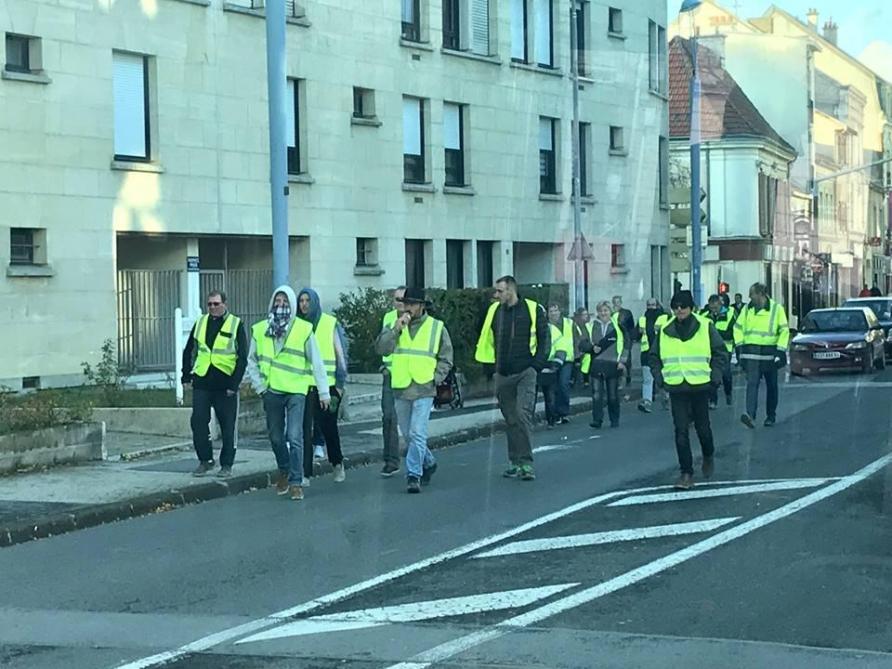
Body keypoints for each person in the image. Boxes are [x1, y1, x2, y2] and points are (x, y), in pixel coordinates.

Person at [246, 285, 330, 501]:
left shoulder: (303, 329)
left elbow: (317, 362)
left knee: (294, 436)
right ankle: (284, 469)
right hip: (272, 390)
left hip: (296, 391)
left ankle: (296, 481)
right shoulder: (260, 329)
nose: (281, 306)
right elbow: (251, 361)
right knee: (275, 436)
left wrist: (323, 392)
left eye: (285, 302)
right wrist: (260, 387)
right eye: (277, 301)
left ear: (292, 305)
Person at [376, 287, 453, 493]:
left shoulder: (436, 327)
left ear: (421, 306)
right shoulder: (395, 324)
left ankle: (413, 475)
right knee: (409, 435)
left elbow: (446, 357)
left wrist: (435, 378)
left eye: (411, 304)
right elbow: (381, 349)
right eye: (405, 304)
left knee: (418, 432)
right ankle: (428, 461)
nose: (407, 308)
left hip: (424, 388)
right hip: (401, 386)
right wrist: (395, 330)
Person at [475, 275, 550, 482]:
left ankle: (526, 463)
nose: (496, 295)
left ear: (511, 291)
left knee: (522, 414)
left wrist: (536, 366)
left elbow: (545, 340)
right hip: (503, 373)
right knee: (510, 418)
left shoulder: (533, 310)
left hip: (526, 370)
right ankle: (514, 462)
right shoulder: (494, 311)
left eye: (499, 291)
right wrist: (490, 368)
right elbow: (485, 338)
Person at [650, 290, 726, 490]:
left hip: (701, 385)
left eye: (683, 306)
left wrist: (715, 377)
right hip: (676, 387)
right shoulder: (665, 330)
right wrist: (660, 380)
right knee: (681, 431)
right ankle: (686, 473)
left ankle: (708, 455)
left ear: (691, 307)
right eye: (676, 306)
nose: (679, 310)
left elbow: (720, 352)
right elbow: (654, 357)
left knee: (703, 429)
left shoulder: (705, 326)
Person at [181, 290, 248, 478]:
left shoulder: (236, 324)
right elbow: (189, 350)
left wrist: (234, 385)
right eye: (209, 304)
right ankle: (206, 460)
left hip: (225, 384)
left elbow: (242, 358)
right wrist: (186, 376)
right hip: (202, 380)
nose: (212, 307)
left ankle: (226, 464)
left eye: (216, 304)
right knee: (198, 421)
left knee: (227, 426)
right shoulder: (201, 322)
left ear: (224, 304)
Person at [297, 288, 349, 484]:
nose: (304, 304)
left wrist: (340, 384)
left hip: (328, 386)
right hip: (304, 386)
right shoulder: (297, 324)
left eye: (307, 300)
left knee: (328, 428)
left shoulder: (329, 322)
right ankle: (306, 473)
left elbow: (340, 354)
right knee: (305, 430)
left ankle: (337, 462)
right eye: (301, 300)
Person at [734, 282, 790, 428]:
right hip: (751, 354)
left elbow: (784, 331)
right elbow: (738, 328)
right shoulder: (747, 309)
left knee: (772, 386)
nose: (749, 297)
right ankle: (750, 415)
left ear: (761, 294)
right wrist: (740, 346)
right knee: (751, 385)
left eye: (751, 294)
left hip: (769, 354)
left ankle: (770, 415)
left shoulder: (776, 309)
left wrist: (780, 350)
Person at [581, 301, 628, 428]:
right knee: (596, 395)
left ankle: (614, 419)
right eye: (601, 311)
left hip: (613, 365)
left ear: (610, 312)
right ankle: (597, 420)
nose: (603, 313)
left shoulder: (617, 326)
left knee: (612, 395)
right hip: (596, 364)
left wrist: (622, 361)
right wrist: (591, 348)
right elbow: (582, 344)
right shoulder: (590, 326)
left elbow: (625, 344)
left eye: (606, 310)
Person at [379, 286, 406, 477]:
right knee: (388, 417)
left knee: (410, 424)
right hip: (390, 375)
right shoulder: (388, 318)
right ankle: (391, 461)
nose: (401, 303)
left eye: (404, 300)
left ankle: (422, 459)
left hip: (409, 376)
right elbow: (382, 344)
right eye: (397, 299)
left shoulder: (417, 320)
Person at [703, 294, 734, 408]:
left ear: (720, 304)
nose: (714, 311)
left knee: (725, 374)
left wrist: (716, 333)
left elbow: (731, 333)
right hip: (710, 350)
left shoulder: (730, 315)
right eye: (712, 308)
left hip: (726, 349)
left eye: (716, 308)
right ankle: (713, 400)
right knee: (712, 374)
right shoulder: (705, 316)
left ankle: (728, 392)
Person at [539, 312, 568, 428]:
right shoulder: (530, 329)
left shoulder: (553, 330)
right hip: (533, 365)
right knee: (530, 397)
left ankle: (551, 419)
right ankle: (526, 423)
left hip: (549, 364)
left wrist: (555, 366)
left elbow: (561, 348)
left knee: (549, 395)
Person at [547, 304, 575, 424]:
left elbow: (577, 338)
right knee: (553, 388)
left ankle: (563, 413)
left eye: (555, 310)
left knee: (563, 384)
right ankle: (554, 414)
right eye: (551, 311)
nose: (553, 313)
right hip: (551, 360)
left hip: (567, 359)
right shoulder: (546, 326)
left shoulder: (569, 323)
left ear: (560, 311)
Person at [637, 298, 665, 414]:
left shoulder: (664, 317)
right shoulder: (642, 319)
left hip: (661, 353)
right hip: (646, 353)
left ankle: (666, 398)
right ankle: (647, 402)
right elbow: (636, 335)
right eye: (649, 305)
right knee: (647, 380)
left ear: (658, 305)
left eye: (653, 305)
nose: (651, 307)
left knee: (663, 377)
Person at [612, 295, 636, 386]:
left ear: (621, 303)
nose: (616, 304)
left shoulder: (626, 313)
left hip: (626, 339)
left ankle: (627, 377)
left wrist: (631, 338)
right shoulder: (611, 314)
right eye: (614, 302)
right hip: (615, 341)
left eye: (618, 302)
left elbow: (631, 326)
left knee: (626, 359)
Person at [571, 307, 591, 387]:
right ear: (579, 316)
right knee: (577, 365)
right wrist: (577, 356)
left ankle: (586, 380)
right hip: (578, 350)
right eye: (584, 315)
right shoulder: (575, 326)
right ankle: (573, 380)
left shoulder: (585, 325)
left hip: (585, 349)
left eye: (587, 314)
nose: (586, 316)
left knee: (587, 362)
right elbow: (575, 340)